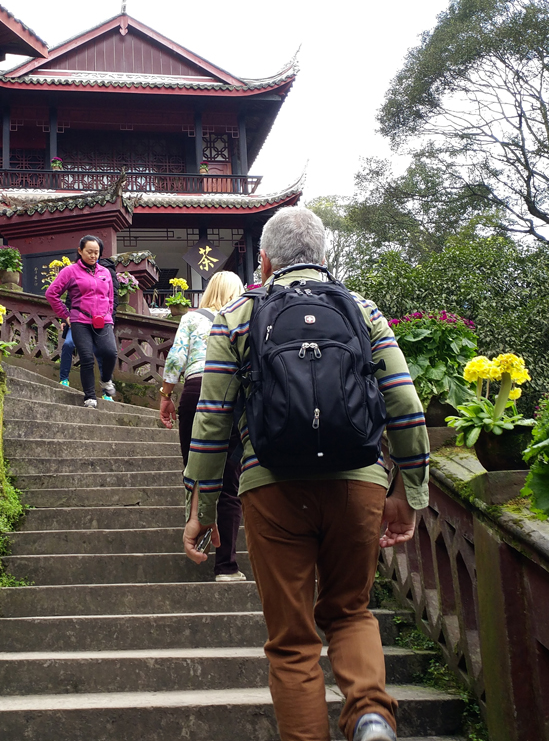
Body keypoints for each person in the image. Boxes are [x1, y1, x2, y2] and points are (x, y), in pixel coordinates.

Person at [179, 206, 429, 741]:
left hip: (271, 486)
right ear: (323, 256)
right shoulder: (362, 311)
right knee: (351, 610)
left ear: (264, 261)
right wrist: (410, 491)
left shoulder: (238, 314)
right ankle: (369, 715)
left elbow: (213, 420)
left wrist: (199, 509)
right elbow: (404, 403)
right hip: (358, 479)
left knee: (292, 640)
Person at [159, 270, 246, 582]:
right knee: (229, 482)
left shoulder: (193, 318)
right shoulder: (242, 319)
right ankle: (227, 566)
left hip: (195, 390)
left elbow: (175, 359)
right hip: (231, 394)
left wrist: (165, 395)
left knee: (195, 474)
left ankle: (195, 539)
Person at [45, 235, 118, 408]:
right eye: (89, 252)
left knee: (110, 352)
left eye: (96, 253)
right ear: (80, 251)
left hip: (103, 321)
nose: (93, 256)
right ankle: (89, 397)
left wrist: (109, 315)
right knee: (86, 358)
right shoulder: (70, 271)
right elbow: (51, 293)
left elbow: (110, 297)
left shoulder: (105, 272)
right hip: (80, 320)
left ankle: (106, 380)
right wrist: (65, 314)